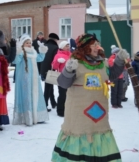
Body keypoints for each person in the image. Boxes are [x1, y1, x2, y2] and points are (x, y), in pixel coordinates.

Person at [51, 33, 129, 162]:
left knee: (98, 131)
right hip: (79, 112)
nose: (97, 47)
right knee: (80, 131)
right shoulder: (75, 62)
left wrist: (120, 60)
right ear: (84, 47)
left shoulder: (103, 63)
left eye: (97, 44)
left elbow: (113, 74)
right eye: (93, 45)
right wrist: (68, 71)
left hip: (99, 113)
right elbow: (63, 83)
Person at [12, 34, 49, 125]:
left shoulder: (33, 52)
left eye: (30, 43)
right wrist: (17, 52)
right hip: (24, 79)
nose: (29, 44)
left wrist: (42, 51)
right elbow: (15, 61)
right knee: (26, 96)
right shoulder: (21, 52)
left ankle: (36, 115)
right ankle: (26, 117)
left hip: (34, 79)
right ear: (23, 43)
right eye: (27, 43)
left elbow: (40, 59)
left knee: (35, 95)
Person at [51, 41, 71, 117]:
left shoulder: (71, 55)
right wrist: (57, 61)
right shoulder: (58, 55)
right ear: (62, 47)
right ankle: (60, 111)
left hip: (71, 77)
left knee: (70, 94)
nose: (68, 47)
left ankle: (68, 109)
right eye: (66, 46)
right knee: (62, 94)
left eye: (68, 46)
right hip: (62, 77)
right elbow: (54, 67)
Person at [40, 33, 59, 111]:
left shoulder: (44, 46)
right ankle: (44, 105)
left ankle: (53, 102)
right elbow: (55, 60)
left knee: (49, 87)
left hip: (43, 68)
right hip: (51, 69)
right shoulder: (55, 47)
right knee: (48, 88)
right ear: (55, 40)